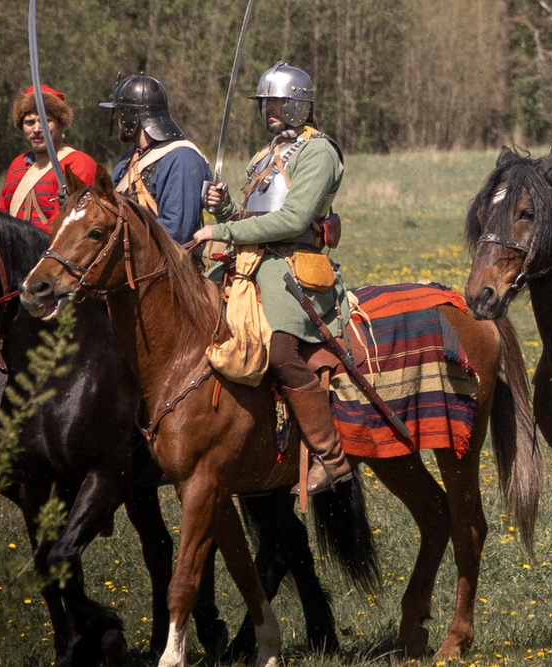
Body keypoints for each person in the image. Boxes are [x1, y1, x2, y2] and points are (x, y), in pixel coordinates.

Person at [193, 63, 362, 496]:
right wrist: (224, 207)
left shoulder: (320, 152)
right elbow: (251, 217)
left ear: (299, 104)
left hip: (294, 267)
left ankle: (332, 458)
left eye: (276, 102)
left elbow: (291, 220)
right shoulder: (264, 155)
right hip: (250, 262)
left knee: (281, 350)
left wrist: (223, 230)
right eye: (265, 102)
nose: (268, 109)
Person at [101, 72, 208, 245]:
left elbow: (176, 231)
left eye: (119, 111)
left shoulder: (182, 158)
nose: (115, 117)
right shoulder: (128, 159)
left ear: (133, 115)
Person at [0, 85, 101, 233]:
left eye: (46, 121)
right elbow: (2, 214)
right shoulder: (17, 164)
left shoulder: (78, 162)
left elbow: (74, 224)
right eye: (30, 122)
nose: (37, 129)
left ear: (60, 124)